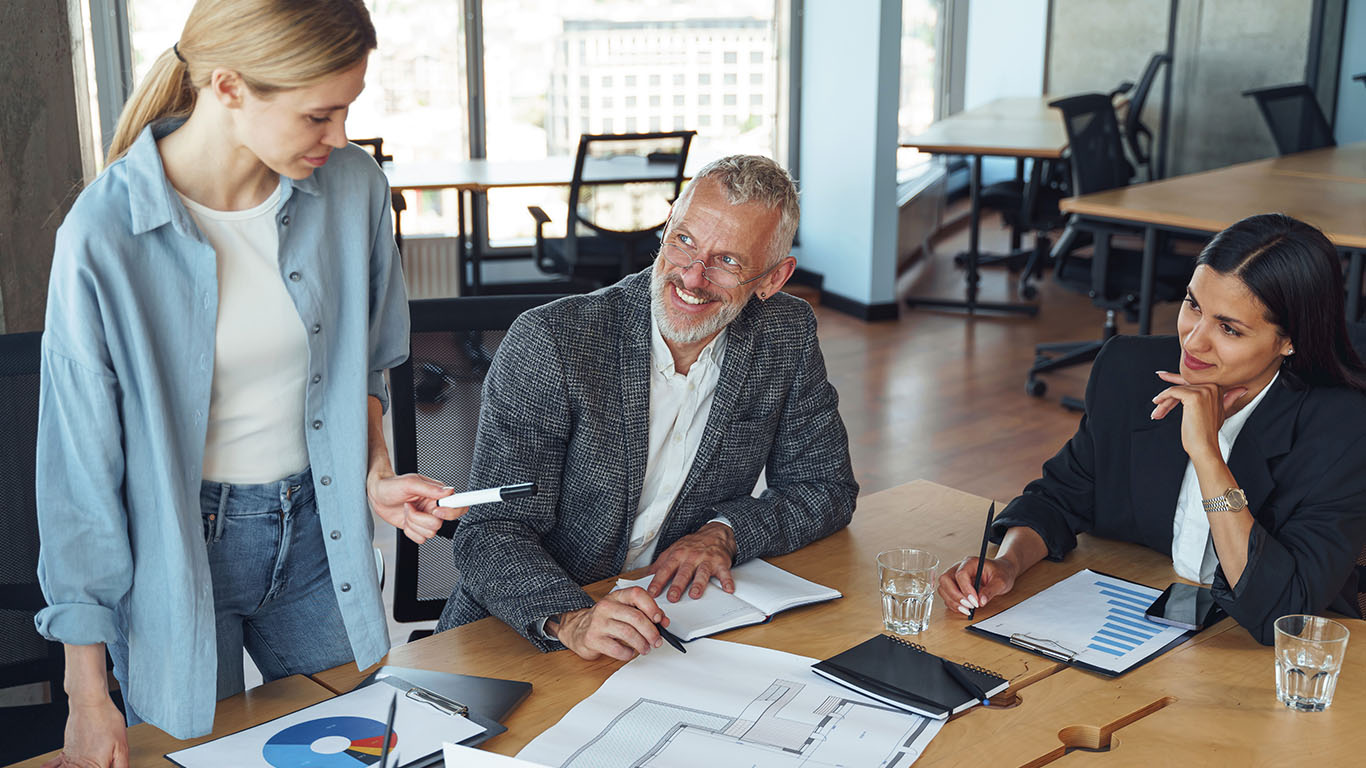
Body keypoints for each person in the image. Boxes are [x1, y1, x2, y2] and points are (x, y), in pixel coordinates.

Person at [34, 0, 460, 760]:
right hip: (176, 554)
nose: (340, 138)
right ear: (229, 87)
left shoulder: (352, 189)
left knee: (363, 748)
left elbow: (359, 358)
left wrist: (372, 471)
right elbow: (80, 480)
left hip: (318, 539)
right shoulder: (102, 235)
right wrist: (86, 695)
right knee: (202, 754)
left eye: (348, 112)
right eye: (318, 116)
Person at [436, 155, 858, 661]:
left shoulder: (784, 333)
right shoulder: (552, 341)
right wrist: (573, 619)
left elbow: (824, 487)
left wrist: (726, 533)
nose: (692, 277)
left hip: (676, 627)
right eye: (683, 241)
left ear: (772, 279)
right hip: (524, 632)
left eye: (728, 261)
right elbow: (490, 531)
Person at [940, 213, 1366, 644]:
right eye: (1193, 304)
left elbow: (1280, 612)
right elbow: (1060, 496)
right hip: (1148, 628)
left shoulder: (1342, 430)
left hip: (1276, 667)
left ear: (1289, 341)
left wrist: (1208, 455)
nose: (1193, 340)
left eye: (1228, 328)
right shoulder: (1131, 371)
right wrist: (1008, 563)